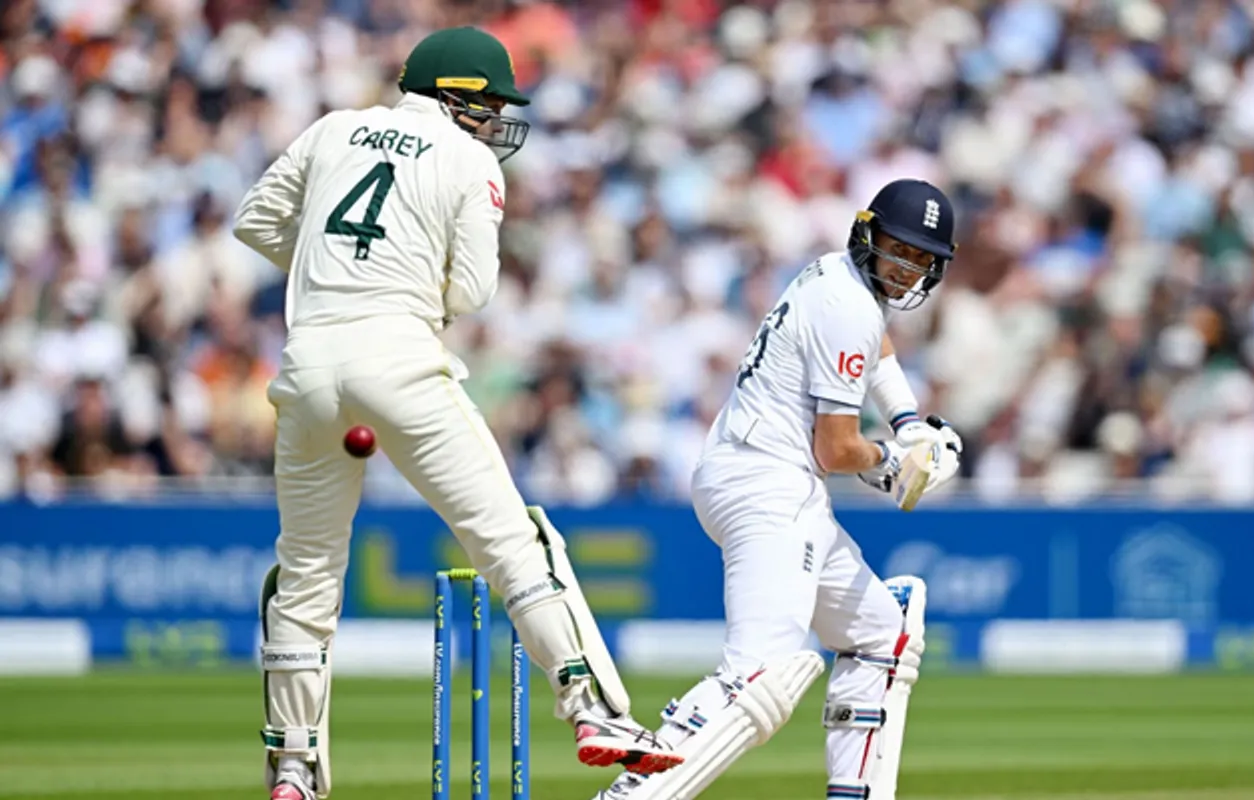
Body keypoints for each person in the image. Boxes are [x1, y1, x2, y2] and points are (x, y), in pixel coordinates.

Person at [232, 26, 681, 800]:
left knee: (306, 576)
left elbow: (256, 221)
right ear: (456, 97)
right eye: (490, 105)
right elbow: (471, 291)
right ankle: (593, 711)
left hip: (307, 366)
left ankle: (295, 770)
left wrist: (339, 270)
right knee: (512, 541)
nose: (496, 123)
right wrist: (399, 283)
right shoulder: (467, 159)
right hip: (400, 356)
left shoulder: (333, 127)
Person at [589, 179, 965, 800]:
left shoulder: (836, 277)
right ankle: (633, 794)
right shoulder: (849, 305)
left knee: (883, 634)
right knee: (761, 674)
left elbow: (876, 342)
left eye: (923, 260)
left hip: (756, 475)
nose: (906, 271)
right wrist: (891, 461)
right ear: (868, 235)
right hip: (770, 485)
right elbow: (836, 449)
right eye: (899, 250)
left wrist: (908, 422)